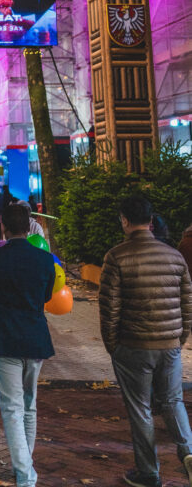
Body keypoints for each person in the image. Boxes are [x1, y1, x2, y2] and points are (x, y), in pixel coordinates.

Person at [99, 194, 192, 487]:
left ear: (125, 221)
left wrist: (112, 345)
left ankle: (149, 473)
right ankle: (188, 452)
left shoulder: (116, 256)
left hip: (132, 345)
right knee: (173, 400)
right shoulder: (174, 256)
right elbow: (187, 303)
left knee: (140, 408)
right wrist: (180, 338)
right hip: (169, 345)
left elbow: (109, 308)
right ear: (151, 222)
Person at [0, 202, 56, 487]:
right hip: (35, 338)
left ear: (3, 228)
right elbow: (47, 296)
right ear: (28, 227)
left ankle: (25, 474)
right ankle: (24, 466)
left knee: (12, 407)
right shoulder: (45, 259)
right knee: (29, 405)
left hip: (4, 338)